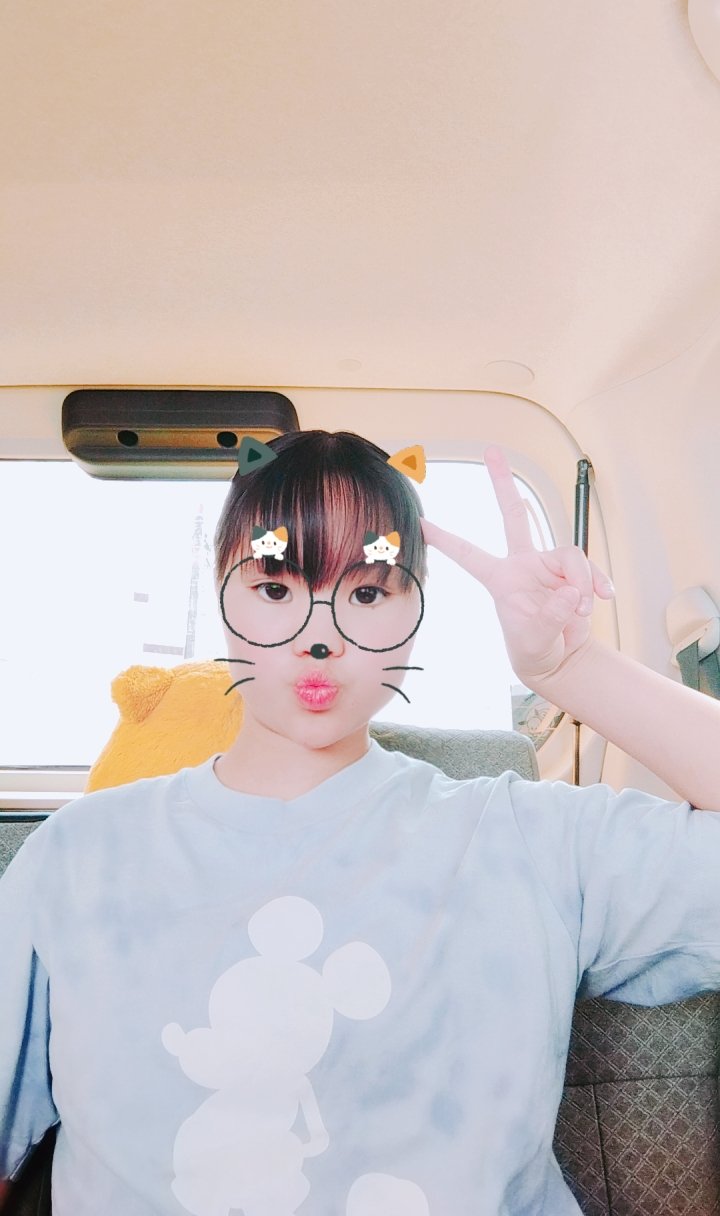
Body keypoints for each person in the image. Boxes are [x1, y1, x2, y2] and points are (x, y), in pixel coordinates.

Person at [1, 428, 719, 1216]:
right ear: (222, 595)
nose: (320, 637)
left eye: (368, 594)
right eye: (275, 587)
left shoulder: (526, 839)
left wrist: (569, 667)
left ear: (417, 608)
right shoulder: (76, 857)